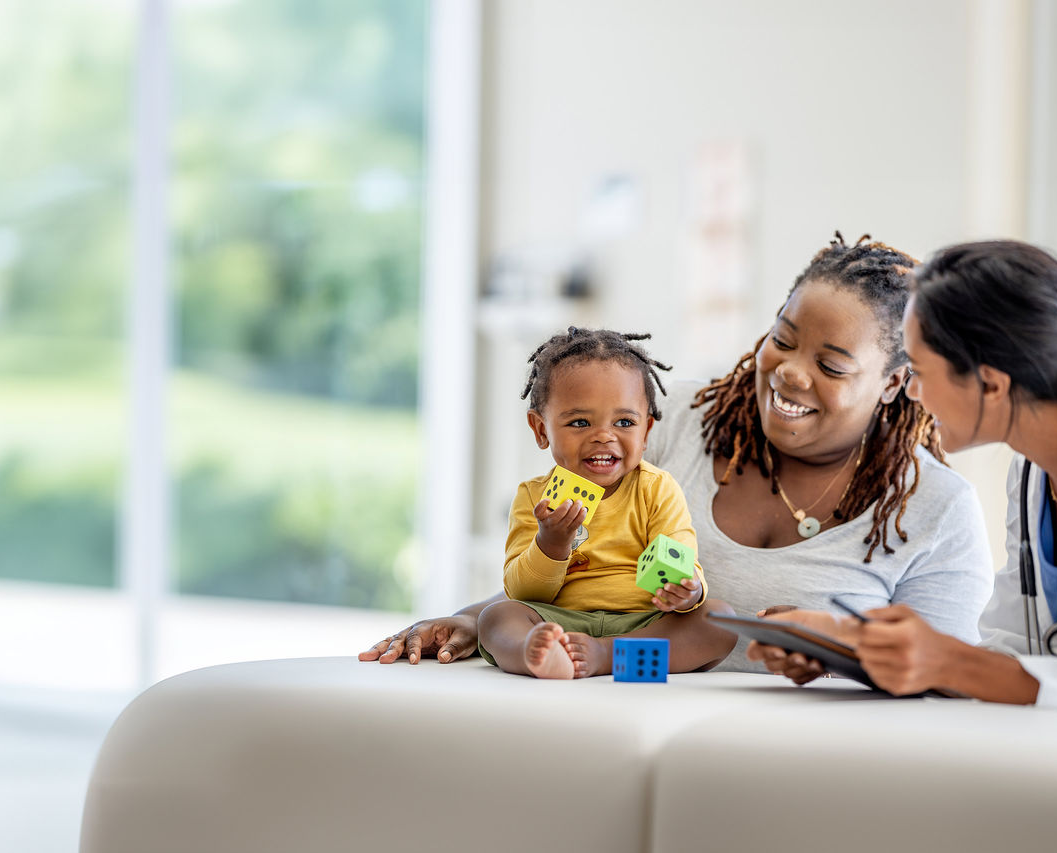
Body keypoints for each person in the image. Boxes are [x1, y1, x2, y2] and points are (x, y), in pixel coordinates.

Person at [360, 234, 993, 672]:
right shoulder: (660, 424)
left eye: (831, 365)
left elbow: (944, 679)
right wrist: (475, 621)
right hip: (618, 715)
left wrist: (839, 653)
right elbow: (576, 562)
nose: (789, 372)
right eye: (782, 338)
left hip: (807, 751)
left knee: (714, 616)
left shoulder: (937, 510)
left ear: (893, 383)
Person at [756, 240, 1057, 713]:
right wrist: (851, 647)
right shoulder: (1032, 470)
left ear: (992, 384)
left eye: (919, 372)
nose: (912, 393)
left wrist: (946, 663)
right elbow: (1013, 657)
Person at [476, 327, 736, 678]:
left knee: (719, 620)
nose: (603, 436)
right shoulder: (534, 497)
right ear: (541, 429)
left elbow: (681, 560)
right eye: (580, 422)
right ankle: (536, 653)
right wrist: (551, 544)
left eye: (624, 422)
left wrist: (687, 591)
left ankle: (605, 656)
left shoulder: (657, 489)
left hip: (644, 624)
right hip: (561, 621)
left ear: (646, 432)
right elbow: (522, 592)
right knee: (496, 618)